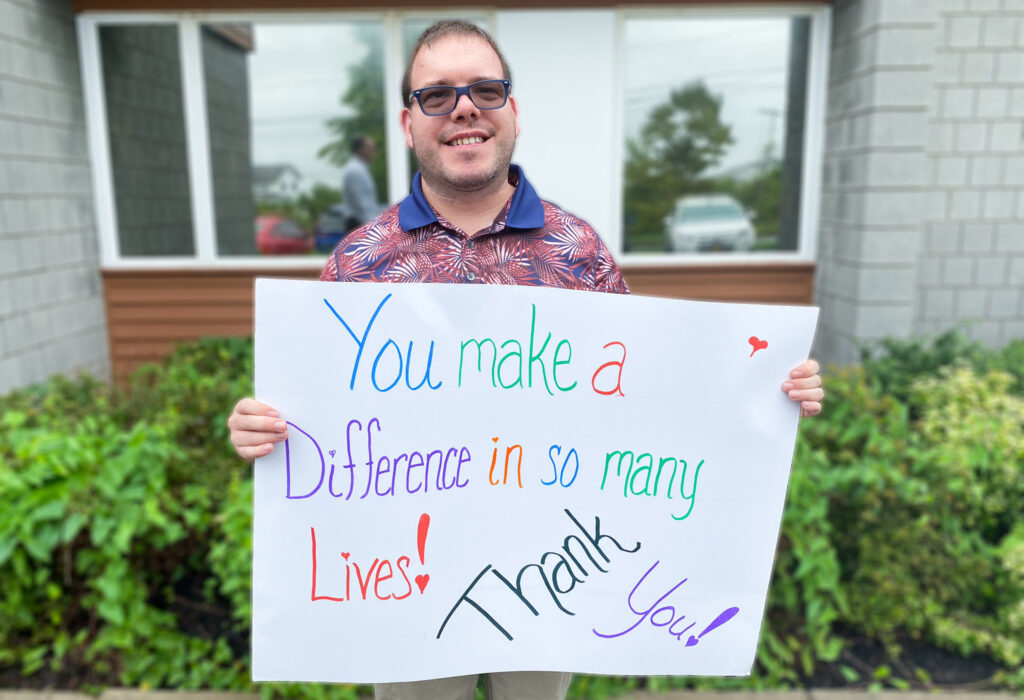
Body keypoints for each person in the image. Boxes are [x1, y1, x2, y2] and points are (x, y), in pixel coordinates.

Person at [228, 19, 824, 700]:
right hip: (401, 576)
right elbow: (319, 416)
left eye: (485, 90)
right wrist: (264, 429)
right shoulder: (359, 262)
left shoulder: (578, 251)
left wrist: (762, 390)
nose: (464, 108)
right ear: (408, 124)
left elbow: (648, 394)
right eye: (436, 95)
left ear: (512, 110)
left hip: (550, 570)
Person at [339, 134, 383, 227]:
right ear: (360, 150)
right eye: (370, 148)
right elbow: (361, 204)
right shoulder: (355, 170)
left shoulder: (361, 168)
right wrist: (373, 226)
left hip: (362, 222)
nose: (374, 151)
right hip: (359, 223)